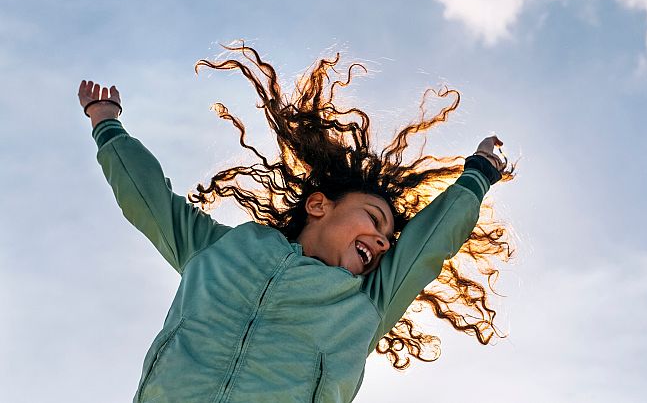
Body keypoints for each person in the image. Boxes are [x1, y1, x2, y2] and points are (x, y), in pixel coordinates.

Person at [78, 43, 514, 402]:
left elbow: (428, 244)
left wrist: (477, 174)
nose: (382, 244)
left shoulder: (364, 303)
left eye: (386, 241)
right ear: (320, 205)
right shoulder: (218, 250)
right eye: (374, 221)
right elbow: (150, 200)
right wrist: (106, 125)